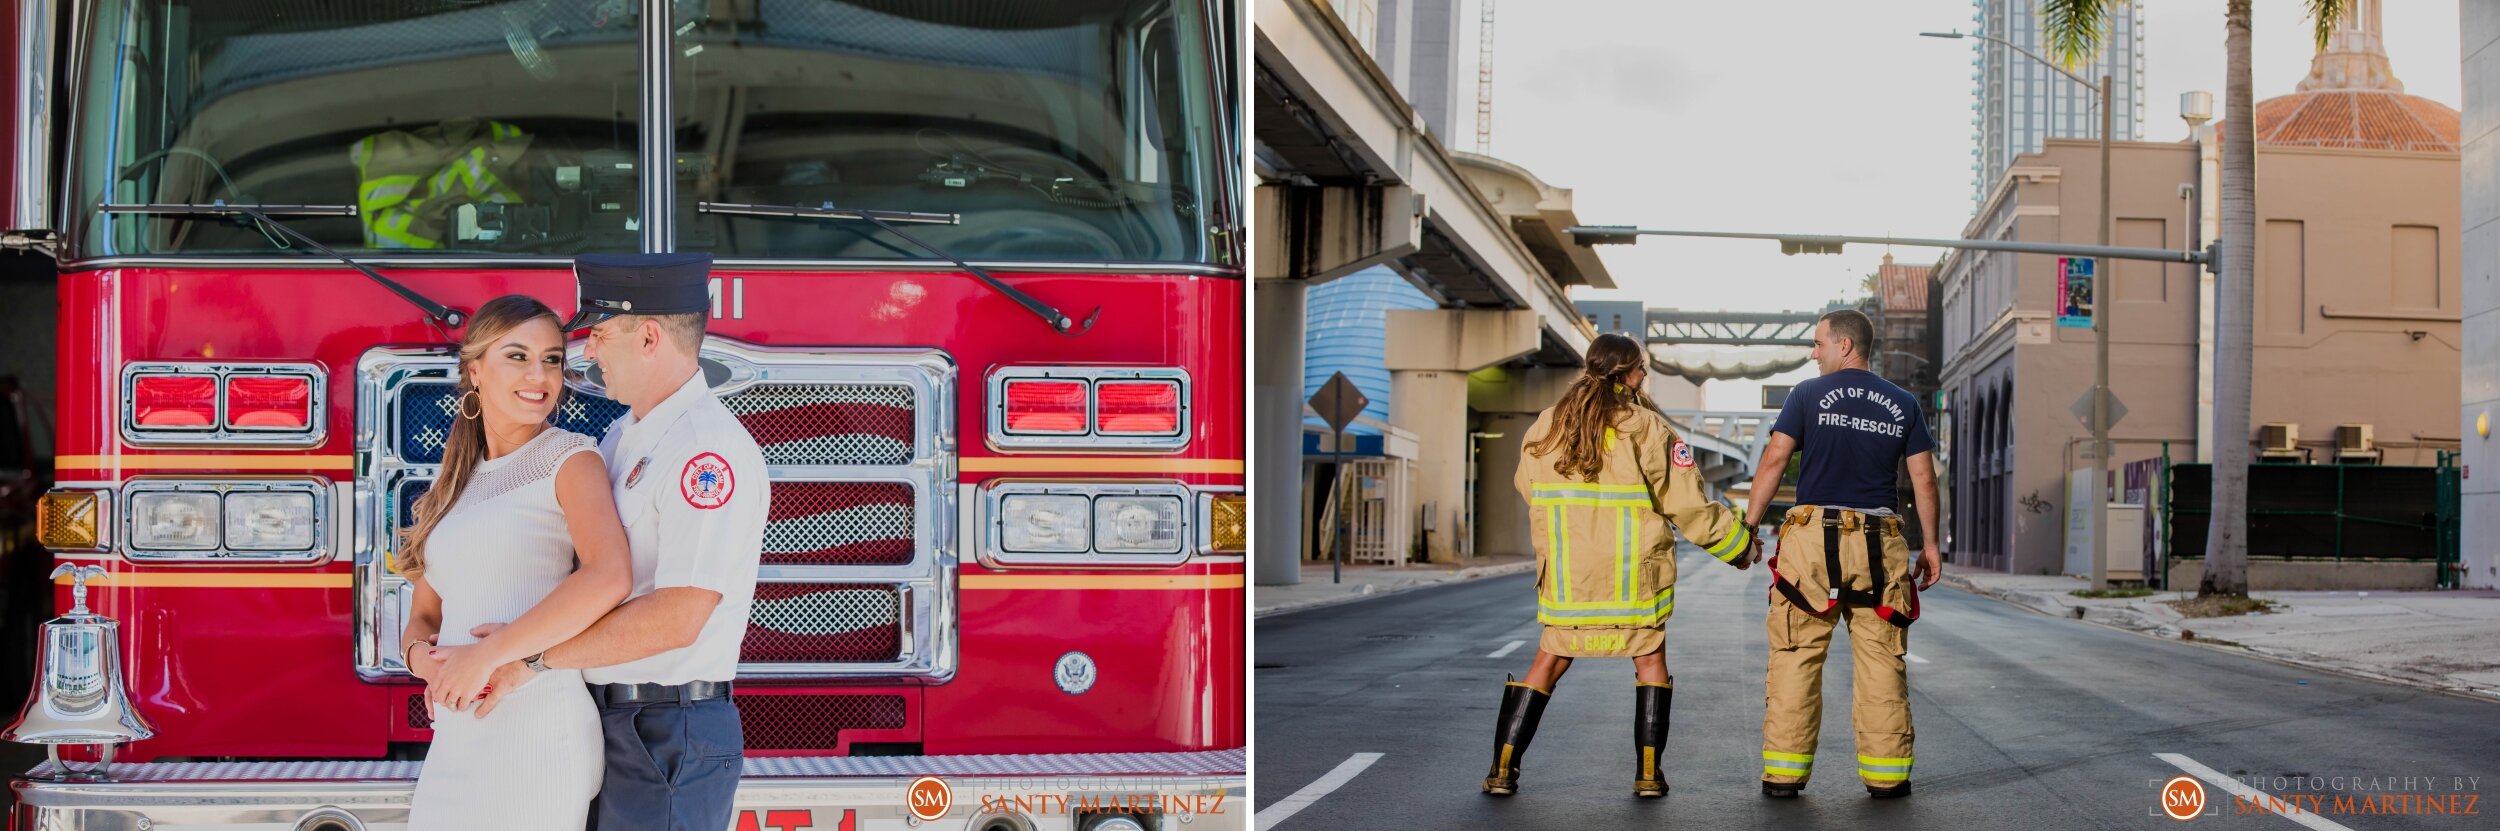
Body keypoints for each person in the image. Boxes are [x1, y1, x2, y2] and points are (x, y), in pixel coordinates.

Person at [437, 253, 772, 831]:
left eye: (598, 333)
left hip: (670, 729)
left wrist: (531, 658)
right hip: (616, 720)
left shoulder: (705, 450)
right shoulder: (626, 435)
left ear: (648, 337)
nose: (586, 353)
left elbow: (678, 617)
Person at [1481, 333, 1761, 799]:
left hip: (1570, 576)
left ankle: (1501, 772)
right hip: (1633, 576)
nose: (1645, 376)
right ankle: (1649, 777)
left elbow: (1529, 488)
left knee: (1547, 662)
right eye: (1643, 369)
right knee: (1650, 660)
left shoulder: (1547, 426)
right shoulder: (1648, 429)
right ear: (1628, 374)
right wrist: (1739, 547)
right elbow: (1687, 506)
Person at [400, 295, 636, 830]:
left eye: (552, 359)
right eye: (517, 356)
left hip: (537, 724)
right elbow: (425, 617)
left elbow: (609, 574)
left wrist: (487, 657)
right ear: (474, 369)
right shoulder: (454, 483)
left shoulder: (571, 457)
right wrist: (424, 662)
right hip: (458, 734)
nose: (540, 375)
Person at [1743, 308, 1942, 800]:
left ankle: (1784, 776)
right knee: (1881, 663)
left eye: (1818, 344)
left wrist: (1748, 526)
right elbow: (1923, 479)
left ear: (1845, 345)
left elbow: (1775, 458)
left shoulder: (1806, 395)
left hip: (1813, 540)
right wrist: (1931, 544)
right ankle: (1888, 778)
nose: (1814, 353)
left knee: (1796, 656)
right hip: (1880, 543)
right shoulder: (1903, 403)